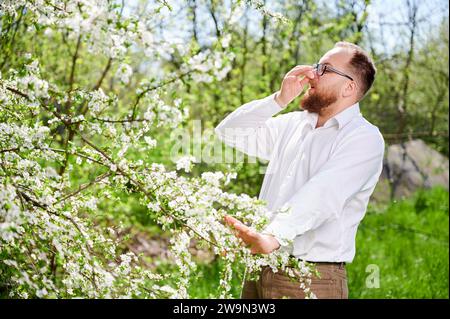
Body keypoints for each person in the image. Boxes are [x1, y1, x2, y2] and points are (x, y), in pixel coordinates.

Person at [215, 41, 385, 299]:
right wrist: (279, 100)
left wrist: (273, 236)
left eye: (325, 69)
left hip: (311, 278)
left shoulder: (364, 138)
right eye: (316, 66)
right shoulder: (294, 124)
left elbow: (324, 193)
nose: (312, 74)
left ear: (349, 87)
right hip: (260, 268)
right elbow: (229, 132)